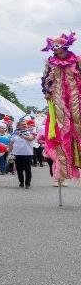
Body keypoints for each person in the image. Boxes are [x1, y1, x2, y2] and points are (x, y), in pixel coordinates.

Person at [42, 32, 81, 185]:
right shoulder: (50, 62)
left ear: (65, 46)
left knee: (78, 126)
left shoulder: (77, 60)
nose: (55, 50)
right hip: (59, 98)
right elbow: (46, 80)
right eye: (53, 47)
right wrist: (47, 92)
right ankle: (63, 168)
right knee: (62, 129)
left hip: (76, 96)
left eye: (58, 47)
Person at [11, 120, 37, 188]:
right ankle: (21, 182)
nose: (24, 125)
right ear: (19, 125)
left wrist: (21, 134)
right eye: (22, 124)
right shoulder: (15, 133)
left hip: (27, 153)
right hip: (17, 153)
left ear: (27, 125)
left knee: (27, 169)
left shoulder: (30, 132)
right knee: (19, 169)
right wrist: (10, 152)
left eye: (25, 124)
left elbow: (30, 139)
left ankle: (27, 183)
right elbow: (11, 143)